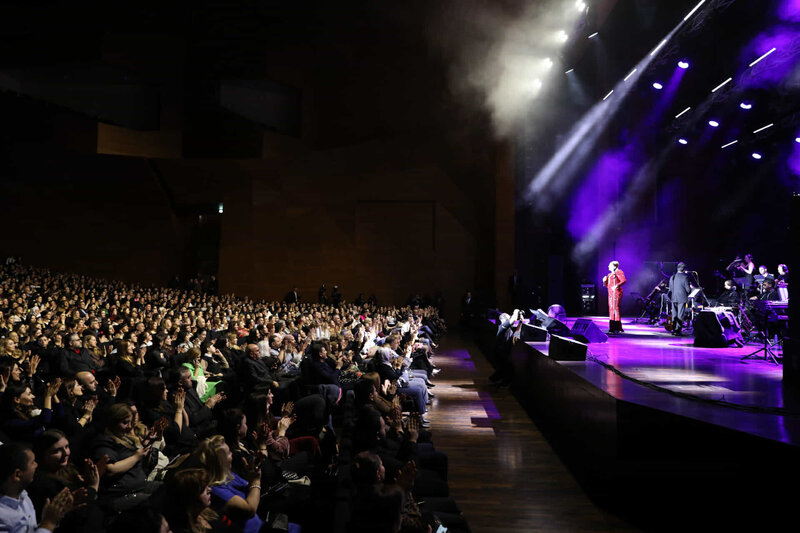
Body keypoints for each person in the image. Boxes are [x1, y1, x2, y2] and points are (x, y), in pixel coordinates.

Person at [0, 442, 74, 533]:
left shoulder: (24, 497)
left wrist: (55, 515)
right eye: (32, 462)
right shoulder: (2, 517)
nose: (36, 465)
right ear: (17, 475)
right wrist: (48, 523)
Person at [489, 309, 522, 387]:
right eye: (508, 318)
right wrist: (516, 311)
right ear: (504, 319)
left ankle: (494, 379)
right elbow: (513, 319)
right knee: (507, 369)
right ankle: (498, 381)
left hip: (504, 353)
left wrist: (520, 322)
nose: (509, 319)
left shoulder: (508, 329)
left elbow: (516, 335)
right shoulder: (502, 326)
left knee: (505, 369)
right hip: (499, 353)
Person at [668, 262, 693, 336]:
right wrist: (690, 287)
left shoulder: (672, 277)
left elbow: (671, 289)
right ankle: (678, 330)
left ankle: (674, 329)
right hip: (681, 298)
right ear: (684, 269)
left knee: (674, 314)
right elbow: (688, 290)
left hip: (673, 297)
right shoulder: (685, 277)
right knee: (680, 314)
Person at [602, 261, 626, 333]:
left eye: (610, 265)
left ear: (615, 266)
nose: (608, 267)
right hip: (610, 293)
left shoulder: (618, 272)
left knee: (615, 309)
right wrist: (604, 281)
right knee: (611, 309)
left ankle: (617, 327)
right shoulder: (609, 274)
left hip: (616, 293)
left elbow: (623, 280)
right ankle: (612, 327)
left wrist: (617, 285)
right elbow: (607, 285)